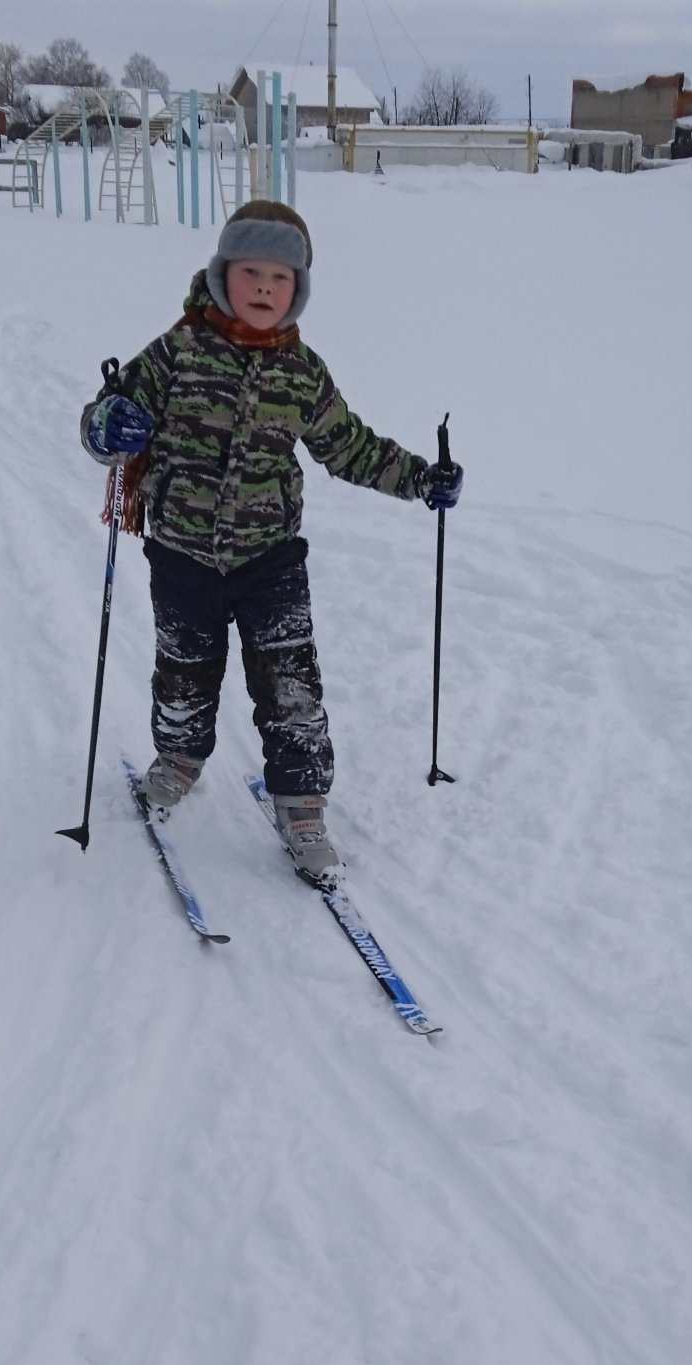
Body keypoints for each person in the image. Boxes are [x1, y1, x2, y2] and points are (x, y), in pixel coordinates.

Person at [80, 199, 462, 889]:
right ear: (223, 275)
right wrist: (111, 424)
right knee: (186, 670)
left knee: (291, 684)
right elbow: (103, 417)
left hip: (270, 557)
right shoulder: (178, 351)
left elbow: (348, 447)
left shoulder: (302, 373)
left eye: (280, 278)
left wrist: (420, 479)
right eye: (249, 271)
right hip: (182, 552)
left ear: (299, 291)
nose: (263, 287)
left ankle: (302, 802)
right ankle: (180, 759)